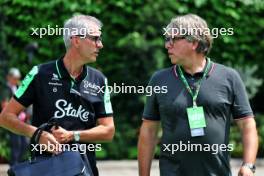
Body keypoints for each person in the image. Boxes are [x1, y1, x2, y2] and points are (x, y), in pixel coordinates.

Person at [138, 14, 258, 176]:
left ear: (194, 42)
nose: (167, 45)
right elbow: (148, 132)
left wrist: (249, 165)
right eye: (166, 39)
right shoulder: (159, 80)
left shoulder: (229, 77)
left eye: (172, 39)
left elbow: (247, 125)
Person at [0, 14, 115, 176]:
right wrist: (37, 134)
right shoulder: (39, 74)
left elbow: (108, 131)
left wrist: (72, 135)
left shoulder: (99, 80)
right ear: (76, 40)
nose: (100, 45)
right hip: (47, 169)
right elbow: (5, 117)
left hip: (84, 170)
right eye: (95, 38)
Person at [0, 68, 29, 165]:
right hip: (12, 119)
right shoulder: (5, 89)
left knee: (25, 143)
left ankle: (18, 164)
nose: (16, 80)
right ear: (9, 77)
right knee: (16, 144)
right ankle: (14, 165)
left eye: (17, 78)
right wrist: (17, 112)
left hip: (21, 120)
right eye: (14, 78)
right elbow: (4, 104)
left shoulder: (18, 87)